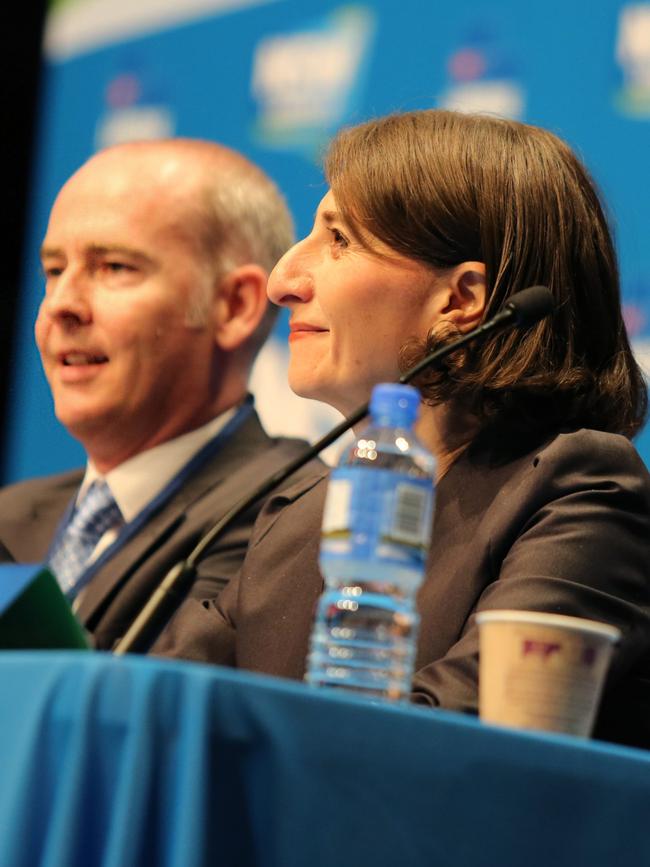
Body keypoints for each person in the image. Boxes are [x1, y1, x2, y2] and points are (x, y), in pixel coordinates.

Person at [155, 110, 650, 748]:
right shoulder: (298, 516)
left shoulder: (578, 492)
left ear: (463, 301)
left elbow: (452, 739)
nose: (284, 280)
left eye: (338, 240)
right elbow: (156, 705)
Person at [0, 137, 318, 650]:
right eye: (55, 271)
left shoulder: (290, 518)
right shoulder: (10, 515)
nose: (61, 304)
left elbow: (151, 709)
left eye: (115, 268)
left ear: (234, 305)